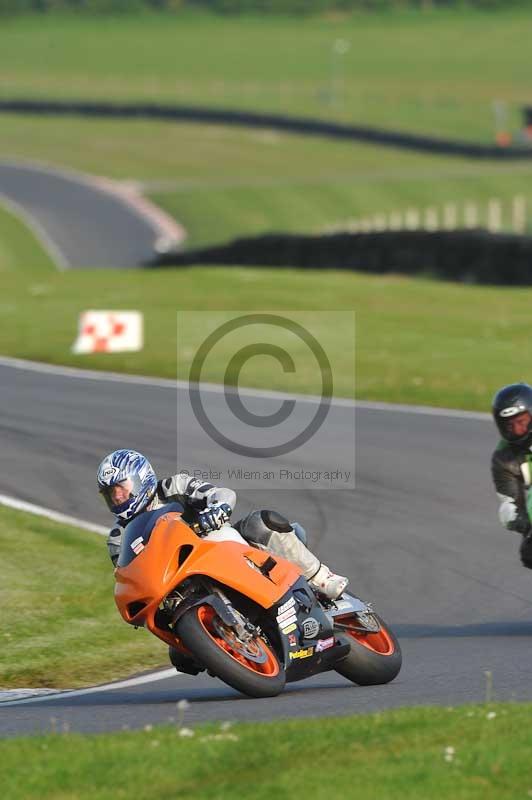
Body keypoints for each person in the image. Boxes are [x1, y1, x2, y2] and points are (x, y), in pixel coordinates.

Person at [97, 449, 348, 600]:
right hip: (179, 583)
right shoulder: (119, 537)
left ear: (140, 478)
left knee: (262, 523)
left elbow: (221, 493)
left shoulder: (174, 487)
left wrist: (218, 509)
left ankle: (321, 578)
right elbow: (128, 575)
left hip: (220, 544)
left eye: (120, 488)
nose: (117, 497)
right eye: (110, 494)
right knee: (181, 655)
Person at [491, 382, 532, 569]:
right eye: (510, 425)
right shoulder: (504, 458)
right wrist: (521, 523)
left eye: (522, 421)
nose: (517, 430)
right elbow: (510, 504)